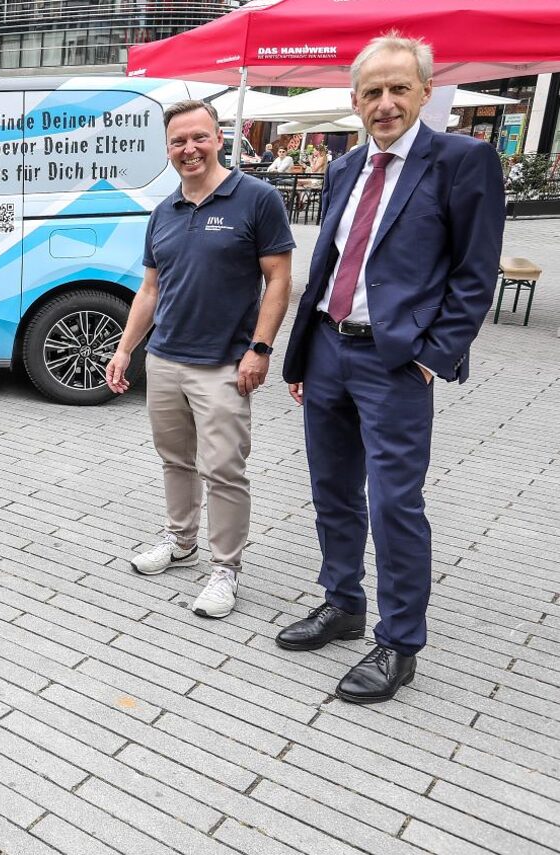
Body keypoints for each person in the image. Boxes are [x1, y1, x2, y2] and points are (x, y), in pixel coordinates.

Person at [277, 33, 504, 704]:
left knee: (396, 505)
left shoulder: (463, 161)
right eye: (371, 92)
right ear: (354, 100)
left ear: (425, 92)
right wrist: (301, 355)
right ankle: (342, 602)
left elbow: (475, 274)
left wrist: (434, 356)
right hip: (326, 350)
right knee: (332, 490)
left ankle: (399, 641)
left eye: (398, 89)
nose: (384, 103)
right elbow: (325, 266)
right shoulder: (344, 167)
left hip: (395, 361)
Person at [104, 99, 293, 619]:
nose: (189, 149)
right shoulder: (164, 212)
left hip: (225, 365)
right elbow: (149, 289)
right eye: (178, 141)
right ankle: (181, 541)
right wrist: (125, 351)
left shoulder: (256, 199)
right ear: (168, 149)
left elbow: (279, 279)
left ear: (218, 137)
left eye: (199, 138)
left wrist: (260, 348)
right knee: (175, 460)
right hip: (165, 359)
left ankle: (226, 568)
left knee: (225, 470)